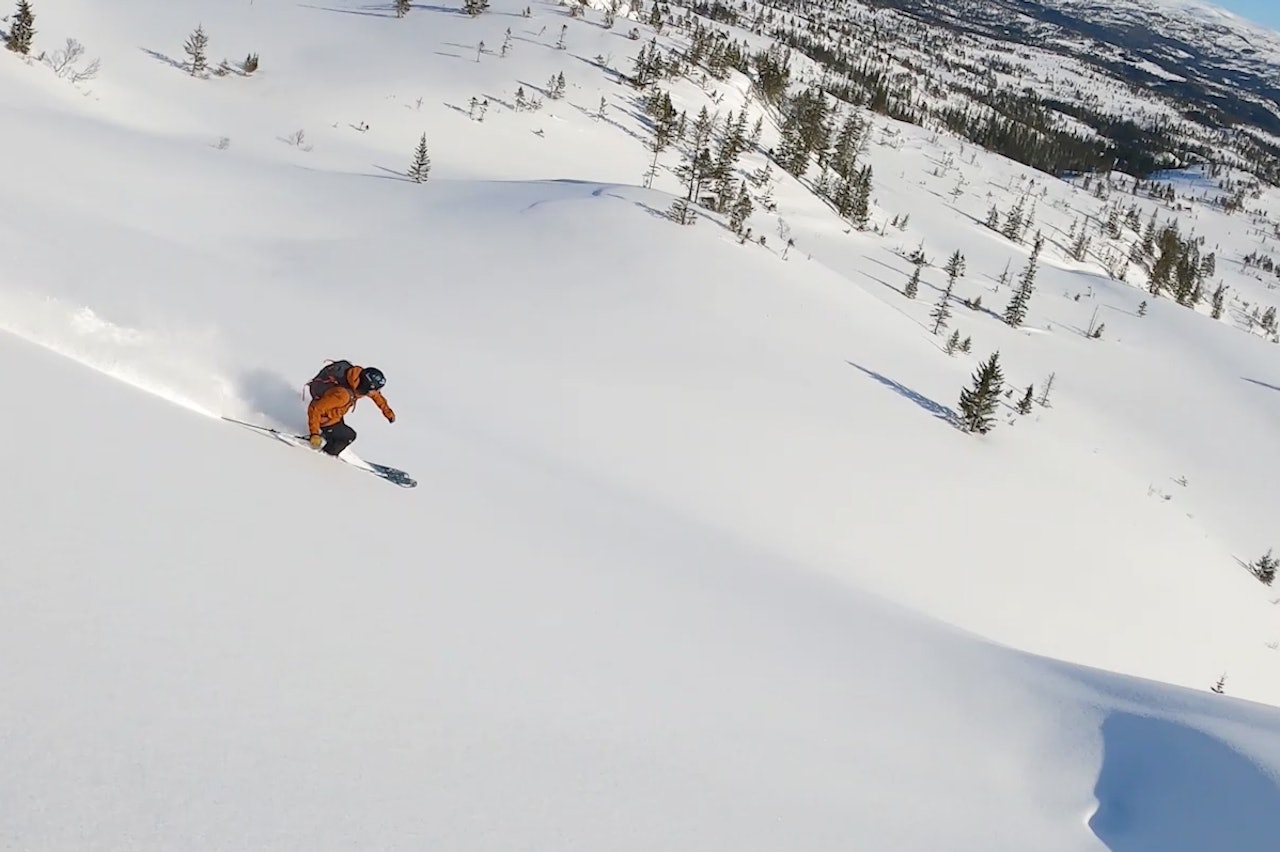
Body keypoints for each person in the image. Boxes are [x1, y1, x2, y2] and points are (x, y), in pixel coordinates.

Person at [306, 362, 395, 456]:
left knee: (341, 428)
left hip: (336, 412)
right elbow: (315, 408)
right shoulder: (342, 395)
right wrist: (314, 433)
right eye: (374, 390)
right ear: (366, 387)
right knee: (348, 436)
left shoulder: (356, 379)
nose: (375, 393)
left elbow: (377, 396)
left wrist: (388, 412)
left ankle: (326, 438)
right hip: (325, 418)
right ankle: (326, 455)